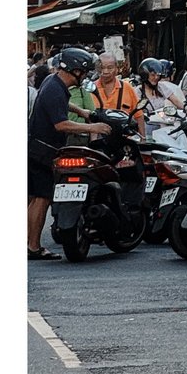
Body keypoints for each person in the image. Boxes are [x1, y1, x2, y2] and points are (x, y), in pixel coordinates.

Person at [28, 47, 111, 259]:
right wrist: (93, 128)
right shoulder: (55, 88)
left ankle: (29, 243)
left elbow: (61, 105)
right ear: (74, 70)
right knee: (41, 198)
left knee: (35, 198)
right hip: (42, 151)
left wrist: (82, 112)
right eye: (83, 72)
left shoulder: (53, 83)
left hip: (40, 148)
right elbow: (61, 125)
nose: (84, 76)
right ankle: (33, 247)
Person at [92, 52, 144, 134]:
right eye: (102, 68)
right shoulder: (90, 88)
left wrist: (143, 139)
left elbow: (139, 116)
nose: (105, 71)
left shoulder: (127, 88)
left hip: (124, 139)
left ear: (117, 68)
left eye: (110, 68)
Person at [138, 57, 185, 135]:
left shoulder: (161, 87)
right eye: (153, 75)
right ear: (144, 75)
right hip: (148, 128)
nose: (156, 77)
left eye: (158, 75)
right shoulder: (137, 92)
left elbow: (176, 101)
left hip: (164, 126)